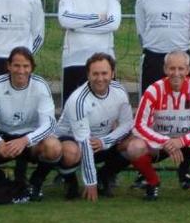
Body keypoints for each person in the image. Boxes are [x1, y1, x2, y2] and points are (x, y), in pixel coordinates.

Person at [126, 50, 190, 201]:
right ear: (165, 69)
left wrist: (183, 140)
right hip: (162, 144)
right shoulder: (153, 90)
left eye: (181, 69)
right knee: (134, 147)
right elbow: (139, 125)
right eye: (172, 68)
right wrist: (164, 141)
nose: (176, 73)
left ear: (188, 70)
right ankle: (152, 183)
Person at [0, 47, 61, 203]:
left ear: (32, 68)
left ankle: (35, 183)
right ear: (8, 66)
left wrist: (25, 140)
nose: (21, 71)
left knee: (54, 147)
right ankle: (1, 180)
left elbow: (49, 124)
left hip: (31, 139)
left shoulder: (41, 86)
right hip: (4, 138)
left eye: (25, 66)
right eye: (16, 65)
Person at [35, 53, 134, 202]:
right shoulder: (78, 100)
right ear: (88, 74)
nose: (100, 78)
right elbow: (84, 142)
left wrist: (105, 141)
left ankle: (105, 176)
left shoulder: (119, 91)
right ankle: (69, 180)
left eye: (104, 73)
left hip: (100, 142)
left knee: (133, 144)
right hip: (74, 142)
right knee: (71, 152)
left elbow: (127, 123)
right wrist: (90, 182)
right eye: (95, 74)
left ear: (113, 73)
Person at [57, 0, 121, 104]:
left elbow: (113, 23)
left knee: (105, 108)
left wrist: (77, 25)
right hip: (74, 60)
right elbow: (65, 20)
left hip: (104, 61)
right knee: (72, 107)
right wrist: (96, 17)